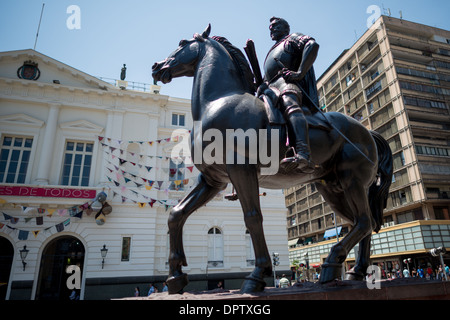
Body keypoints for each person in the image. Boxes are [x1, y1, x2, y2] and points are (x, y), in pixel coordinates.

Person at [258, 17, 319, 173]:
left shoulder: (292, 38)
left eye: (275, 26)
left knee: (288, 101)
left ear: (286, 29)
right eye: (270, 27)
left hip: (287, 83)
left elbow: (312, 45)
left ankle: (303, 151)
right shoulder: (271, 51)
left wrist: (299, 73)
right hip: (270, 89)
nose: (271, 29)